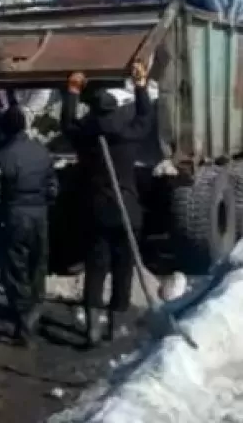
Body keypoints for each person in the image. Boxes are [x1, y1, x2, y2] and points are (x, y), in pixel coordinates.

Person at [60, 62, 154, 346]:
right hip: (127, 209)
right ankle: (114, 325)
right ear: (114, 111)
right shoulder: (129, 134)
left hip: (95, 211)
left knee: (96, 268)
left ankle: (92, 328)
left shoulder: (85, 137)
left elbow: (66, 124)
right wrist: (140, 86)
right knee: (123, 269)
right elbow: (145, 116)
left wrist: (72, 91)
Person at [0, 106, 58, 347]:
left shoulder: (2, 157)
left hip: (14, 217)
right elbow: (54, 188)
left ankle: (24, 321)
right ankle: (34, 309)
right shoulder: (42, 153)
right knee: (38, 265)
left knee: (15, 269)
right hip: (40, 216)